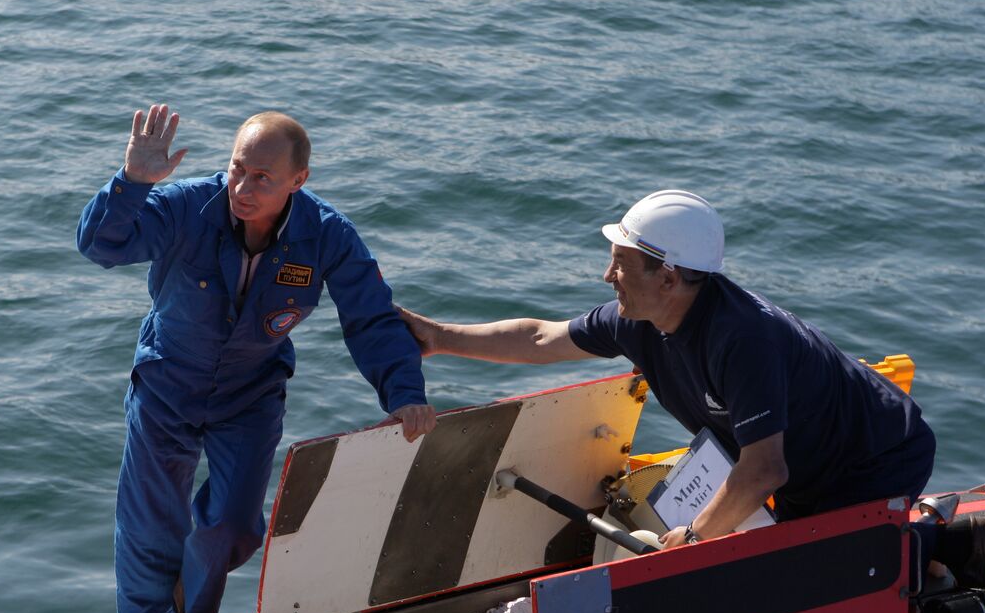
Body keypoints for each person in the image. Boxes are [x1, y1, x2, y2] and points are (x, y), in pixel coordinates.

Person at [79, 104, 436, 613]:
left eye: (263, 177)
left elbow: (370, 318)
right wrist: (132, 183)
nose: (242, 187)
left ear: (299, 181)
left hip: (251, 392)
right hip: (168, 379)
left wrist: (405, 395)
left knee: (233, 522)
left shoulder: (328, 236)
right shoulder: (184, 206)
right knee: (149, 515)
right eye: (237, 168)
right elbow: (102, 246)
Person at [400, 189, 940, 550]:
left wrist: (694, 540)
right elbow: (541, 338)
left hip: (874, 457)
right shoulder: (637, 319)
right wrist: (439, 337)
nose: (606, 274)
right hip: (805, 460)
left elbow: (763, 471)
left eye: (621, 263)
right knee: (788, 550)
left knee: (818, 577)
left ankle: (944, 545)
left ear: (670, 277)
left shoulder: (743, 339)